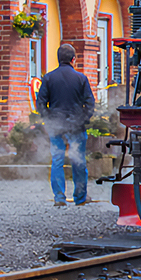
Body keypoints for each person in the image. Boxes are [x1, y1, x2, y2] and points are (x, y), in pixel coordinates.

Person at [35, 43, 97, 206]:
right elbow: (90, 103)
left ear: (58, 59)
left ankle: (59, 197)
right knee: (78, 160)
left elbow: (40, 103)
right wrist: (83, 118)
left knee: (57, 159)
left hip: (55, 126)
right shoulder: (81, 78)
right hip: (76, 125)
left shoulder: (48, 78)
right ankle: (80, 197)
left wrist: (49, 119)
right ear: (73, 59)